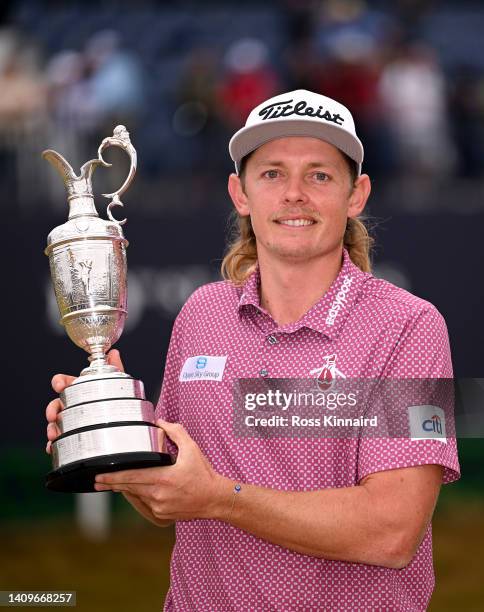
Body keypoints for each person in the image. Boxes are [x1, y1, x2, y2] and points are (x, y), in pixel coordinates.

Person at [46, 89, 460, 611]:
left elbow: (392, 532)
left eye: (320, 174)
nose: (294, 194)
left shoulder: (407, 326)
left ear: (356, 195)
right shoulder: (203, 314)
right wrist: (111, 428)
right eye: (271, 174)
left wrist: (221, 498)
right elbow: (170, 500)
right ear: (239, 193)